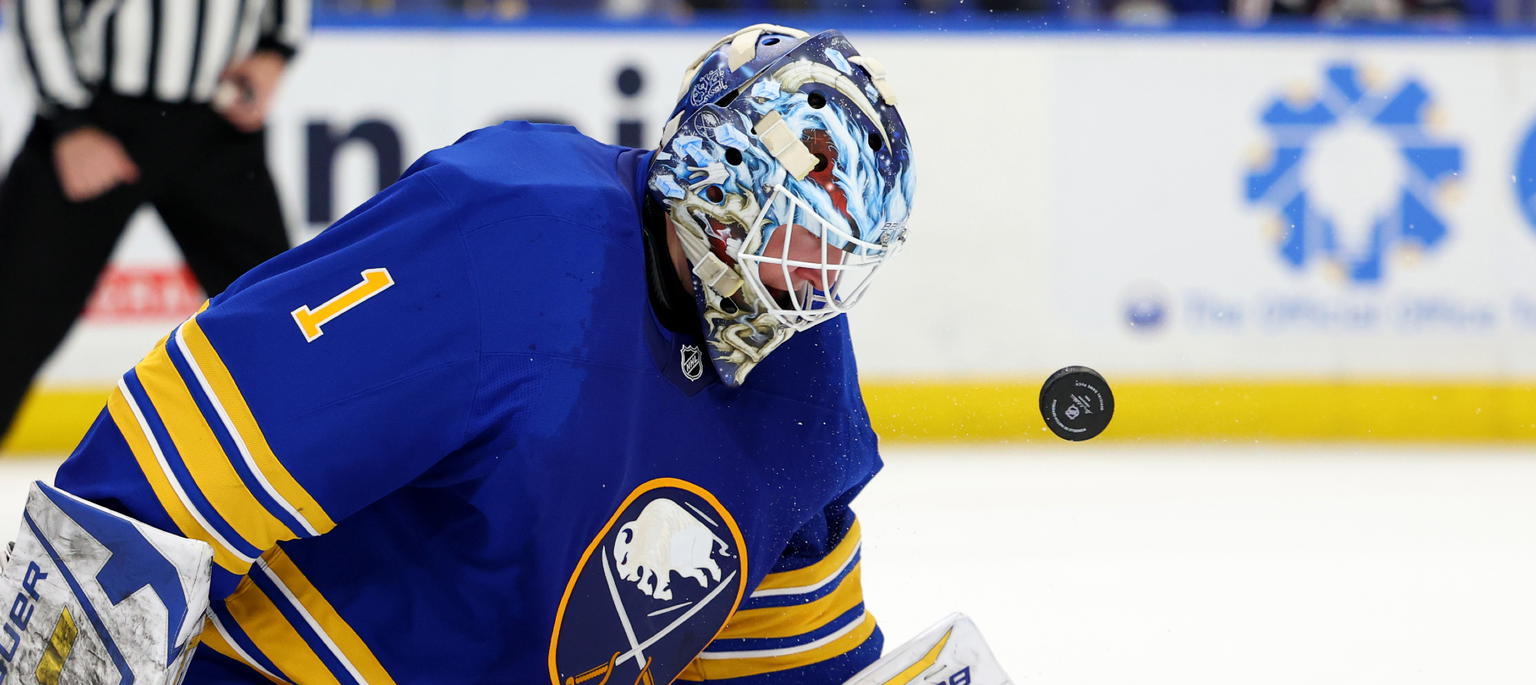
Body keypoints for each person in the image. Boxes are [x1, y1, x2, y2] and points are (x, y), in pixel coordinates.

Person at [0, 24, 922, 683]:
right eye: (807, 232)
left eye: (843, 256)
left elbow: (788, 651)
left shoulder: (806, 365)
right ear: (722, 178)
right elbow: (182, 463)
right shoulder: (512, 232)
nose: (818, 282)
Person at [0, 0, 308, 445]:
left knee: (278, 312)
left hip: (220, 123)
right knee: (17, 311)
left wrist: (274, 51)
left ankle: (324, 464)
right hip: (98, 119)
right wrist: (70, 123)